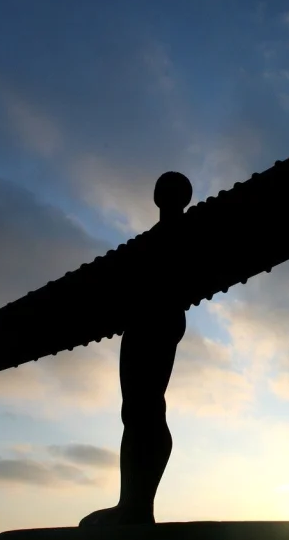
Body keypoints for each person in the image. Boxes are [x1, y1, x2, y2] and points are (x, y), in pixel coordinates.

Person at [80, 172, 192, 527]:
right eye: (163, 188)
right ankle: (133, 502)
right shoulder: (148, 243)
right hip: (142, 319)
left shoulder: (188, 232)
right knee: (136, 409)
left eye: (171, 189)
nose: (165, 193)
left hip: (159, 317)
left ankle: (137, 505)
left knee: (145, 406)